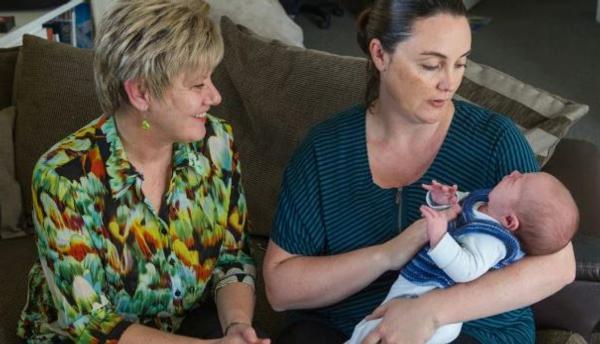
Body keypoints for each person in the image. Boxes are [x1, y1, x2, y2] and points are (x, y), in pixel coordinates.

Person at [262, 0, 576, 343]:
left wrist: (432, 311)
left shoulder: (496, 140)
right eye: (431, 65)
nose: (450, 83)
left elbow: (558, 266)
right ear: (380, 55)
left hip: (469, 328)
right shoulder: (325, 150)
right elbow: (281, 288)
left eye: (460, 64)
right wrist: (388, 254)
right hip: (348, 326)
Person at [17, 1, 269, 343]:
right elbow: (92, 325)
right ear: (140, 92)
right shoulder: (64, 178)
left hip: (185, 326)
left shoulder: (216, 142)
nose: (215, 96)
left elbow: (231, 257)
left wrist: (237, 327)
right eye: (198, 85)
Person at [347, 171, 579, 344]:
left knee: (378, 328)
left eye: (518, 181)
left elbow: (467, 270)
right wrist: (441, 200)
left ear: (509, 221)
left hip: (429, 287)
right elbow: (458, 206)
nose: (516, 173)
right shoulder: (485, 203)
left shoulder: (494, 242)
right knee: (376, 325)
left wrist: (439, 238)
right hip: (421, 285)